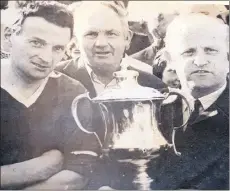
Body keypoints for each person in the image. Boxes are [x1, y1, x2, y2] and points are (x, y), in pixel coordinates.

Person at [0, 1, 100, 189]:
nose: (46, 58)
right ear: (9, 37)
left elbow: (80, 172)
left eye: (58, 48)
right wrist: (41, 167)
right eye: (36, 43)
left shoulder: (72, 93)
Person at [147, 13, 229, 189]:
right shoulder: (156, 109)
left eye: (211, 50)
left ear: (228, 57)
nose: (200, 61)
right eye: (189, 52)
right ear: (171, 60)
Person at [56, 1, 166, 98]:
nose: (101, 43)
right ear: (75, 41)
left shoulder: (153, 86)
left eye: (111, 34)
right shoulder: (53, 79)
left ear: (127, 39)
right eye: (91, 34)